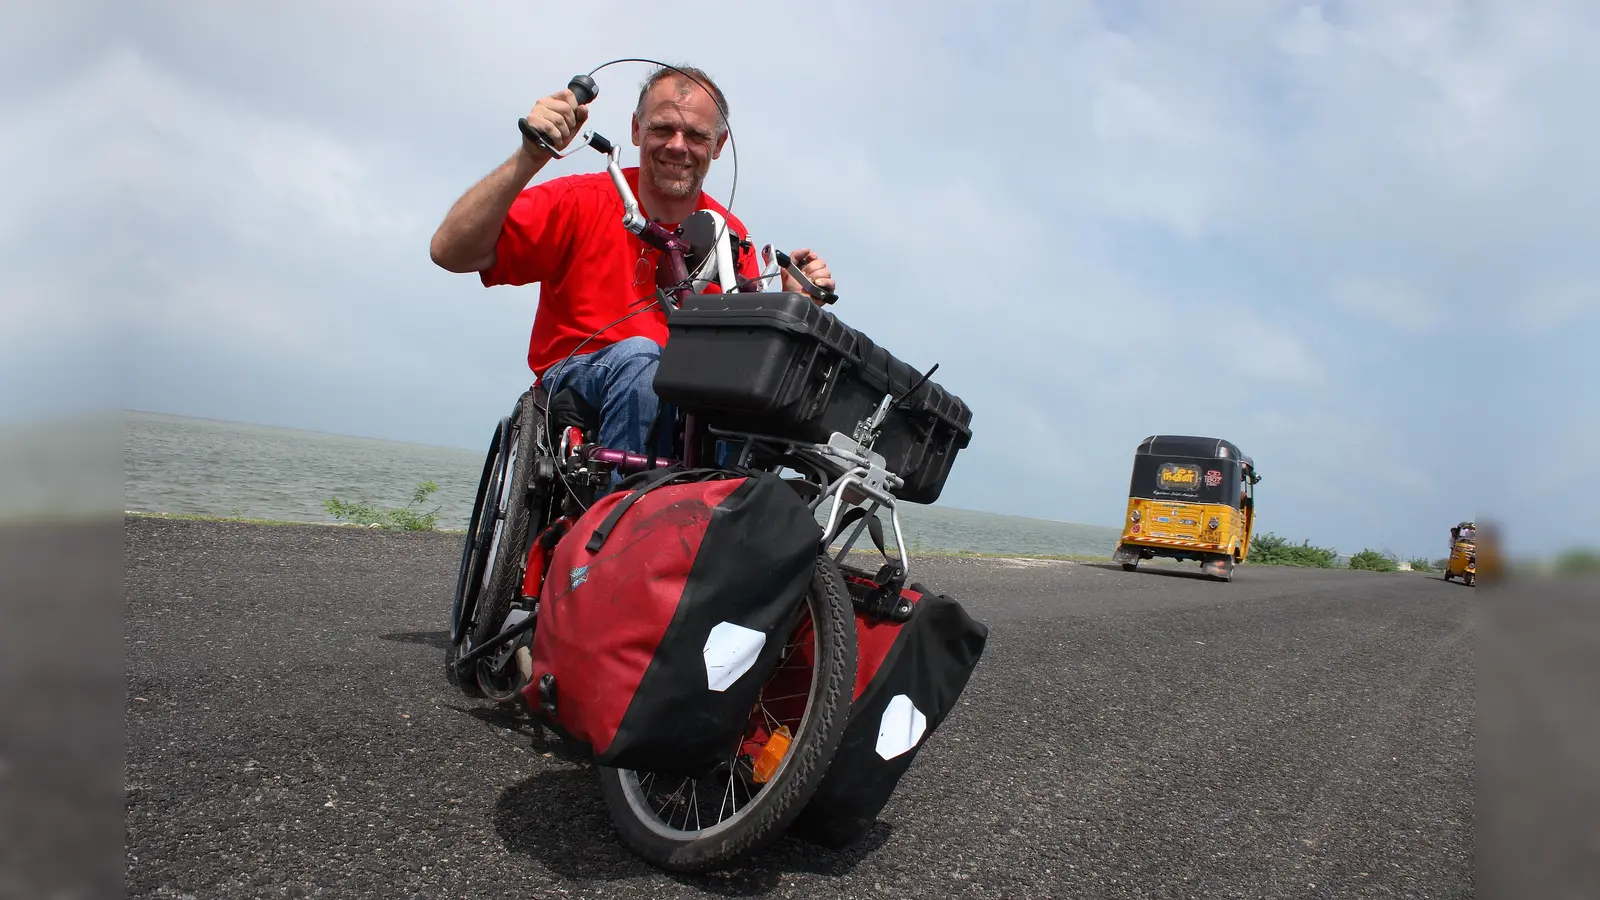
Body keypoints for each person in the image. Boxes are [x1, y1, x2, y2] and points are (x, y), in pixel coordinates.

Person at [429, 64, 837, 461]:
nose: (678, 145)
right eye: (663, 128)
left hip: (686, 396)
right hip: (583, 378)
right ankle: (620, 515)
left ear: (717, 145)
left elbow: (745, 354)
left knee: (747, 398)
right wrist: (530, 155)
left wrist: (795, 307)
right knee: (642, 357)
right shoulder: (579, 200)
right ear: (636, 130)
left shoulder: (729, 234)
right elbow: (450, 251)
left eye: (695, 134)